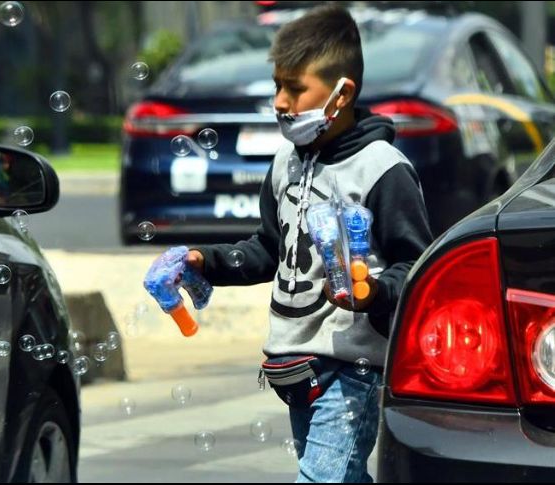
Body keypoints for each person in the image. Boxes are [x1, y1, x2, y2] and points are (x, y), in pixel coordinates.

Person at [184, 5, 433, 482]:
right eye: (278, 85)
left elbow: (414, 266)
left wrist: (374, 293)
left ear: (343, 94)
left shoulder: (382, 169)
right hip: (293, 365)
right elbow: (268, 248)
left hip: (352, 368)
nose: (280, 101)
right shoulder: (285, 163)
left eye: (295, 88)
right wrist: (207, 261)